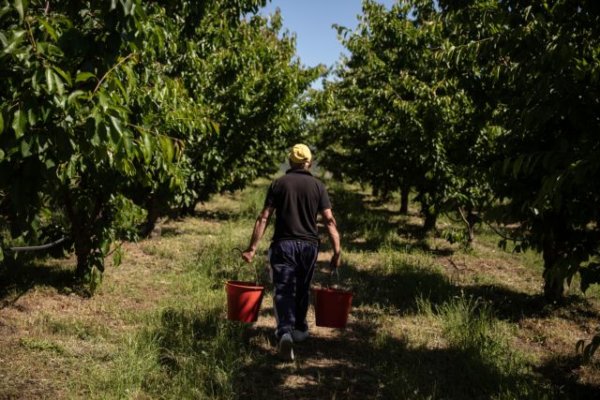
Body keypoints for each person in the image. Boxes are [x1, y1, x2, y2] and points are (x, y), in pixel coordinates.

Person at [241, 143, 341, 361]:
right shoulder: (318, 186)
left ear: (290, 161)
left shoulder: (279, 184)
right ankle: (300, 329)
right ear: (309, 163)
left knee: (283, 288)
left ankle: (284, 331)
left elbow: (264, 217)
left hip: (283, 245)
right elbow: (329, 221)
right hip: (308, 246)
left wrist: (252, 248)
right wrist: (337, 250)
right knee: (303, 287)